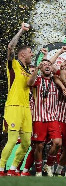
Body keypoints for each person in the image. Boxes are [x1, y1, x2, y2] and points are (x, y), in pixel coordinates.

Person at [0, 23, 34, 176]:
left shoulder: (27, 71)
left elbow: (30, 84)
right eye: (30, 52)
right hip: (13, 106)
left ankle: (13, 169)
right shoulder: (13, 65)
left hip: (26, 109)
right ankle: (1, 169)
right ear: (22, 55)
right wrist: (21, 30)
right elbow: (10, 47)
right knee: (12, 140)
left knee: (26, 143)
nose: (32, 55)